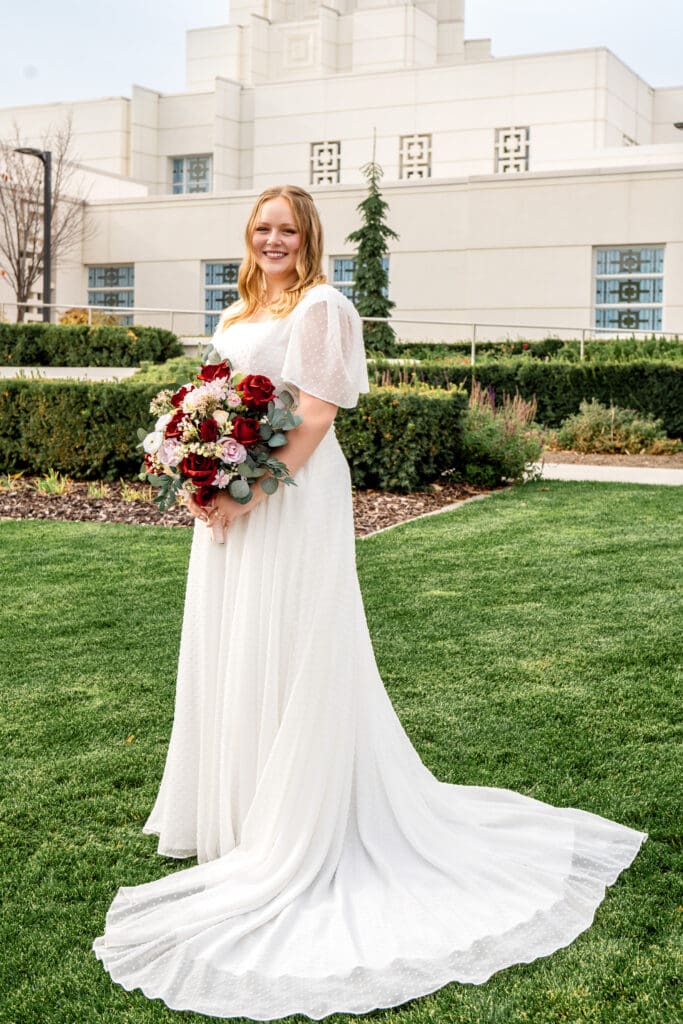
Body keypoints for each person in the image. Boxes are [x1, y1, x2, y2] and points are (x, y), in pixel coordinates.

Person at [93, 186, 646, 1020]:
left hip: (293, 493)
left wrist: (246, 492)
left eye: (287, 229)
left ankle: (298, 819)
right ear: (249, 235)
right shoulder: (243, 304)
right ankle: (240, 812)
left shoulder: (323, 305)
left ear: (309, 238)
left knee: (292, 637)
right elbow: (221, 399)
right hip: (237, 493)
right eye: (262, 227)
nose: (273, 239)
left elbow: (313, 415)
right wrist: (200, 473)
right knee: (237, 636)